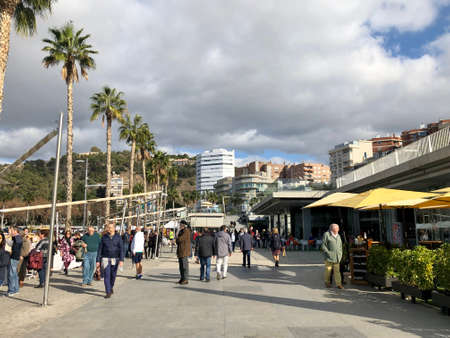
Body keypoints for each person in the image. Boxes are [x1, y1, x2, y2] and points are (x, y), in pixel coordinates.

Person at [97, 222, 124, 298]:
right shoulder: (104, 237)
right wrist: (98, 260)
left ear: (114, 228)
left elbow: (121, 249)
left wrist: (121, 260)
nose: (109, 229)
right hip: (105, 259)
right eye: (108, 227)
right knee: (107, 275)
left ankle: (111, 286)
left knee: (113, 275)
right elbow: (100, 249)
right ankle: (108, 292)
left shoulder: (118, 237)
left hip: (115, 259)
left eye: (111, 227)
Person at [321, 223, 344, 289]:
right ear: (332, 229)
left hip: (337, 257)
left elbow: (340, 246)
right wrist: (328, 253)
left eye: (338, 228)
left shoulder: (338, 235)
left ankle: (339, 284)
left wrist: (340, 254)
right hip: (329, 257)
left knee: (337, 271)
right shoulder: (327, 234)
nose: (338, 229)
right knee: (328, 270)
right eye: (337, 228)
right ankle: (327, 282)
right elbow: (323, 245)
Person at [7, 226, 22, 296]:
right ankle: (16, 289)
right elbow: (11, 244)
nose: (11, 231)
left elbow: (14, 246)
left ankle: (12, 290)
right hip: (15, 257)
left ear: (15, 231)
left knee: (12, 274)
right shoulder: (17, 238)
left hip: (14, 257)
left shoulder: (17, 238)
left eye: (12, 230)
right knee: (15, 274)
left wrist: (9, 236)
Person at [176, 220, 191, 285]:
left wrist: (177, 238)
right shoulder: (181, 231)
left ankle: (185, 279)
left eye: (180, 225)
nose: (179, 226)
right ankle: (182, 278)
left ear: (183, 225)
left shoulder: (186, 231)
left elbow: (180, 239)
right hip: (180, 250)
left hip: (184, 251)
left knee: (184, 266)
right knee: (181, 266)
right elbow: (178, 241)